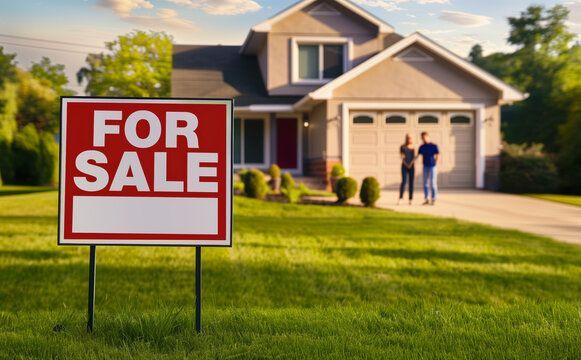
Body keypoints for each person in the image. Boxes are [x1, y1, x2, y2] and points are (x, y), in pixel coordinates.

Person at [418, 132, 439, 205]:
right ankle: (426, 199)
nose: (424, 139)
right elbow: (417, 155)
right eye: (422, 138)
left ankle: (433, 198)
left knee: (433, 183)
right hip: (425, 166)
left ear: (428, 137)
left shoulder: (433, 146)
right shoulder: (422, 147)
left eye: (425, 137)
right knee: (425, 183)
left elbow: (437, 154)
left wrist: (435, 162)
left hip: (432, 166)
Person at [398, 134, 415, 205]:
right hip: (404, 166)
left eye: (410, 138)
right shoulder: (402, 147)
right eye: (408, 138)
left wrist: (410, 164)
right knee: (404, 182)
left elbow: (414, 157)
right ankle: (400, 198)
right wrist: (406, 164)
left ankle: (410, 199)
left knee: (411, 183)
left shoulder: (413, 147)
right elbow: (402, 157)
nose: (409, 139)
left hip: (412, 167)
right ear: (406, 139)